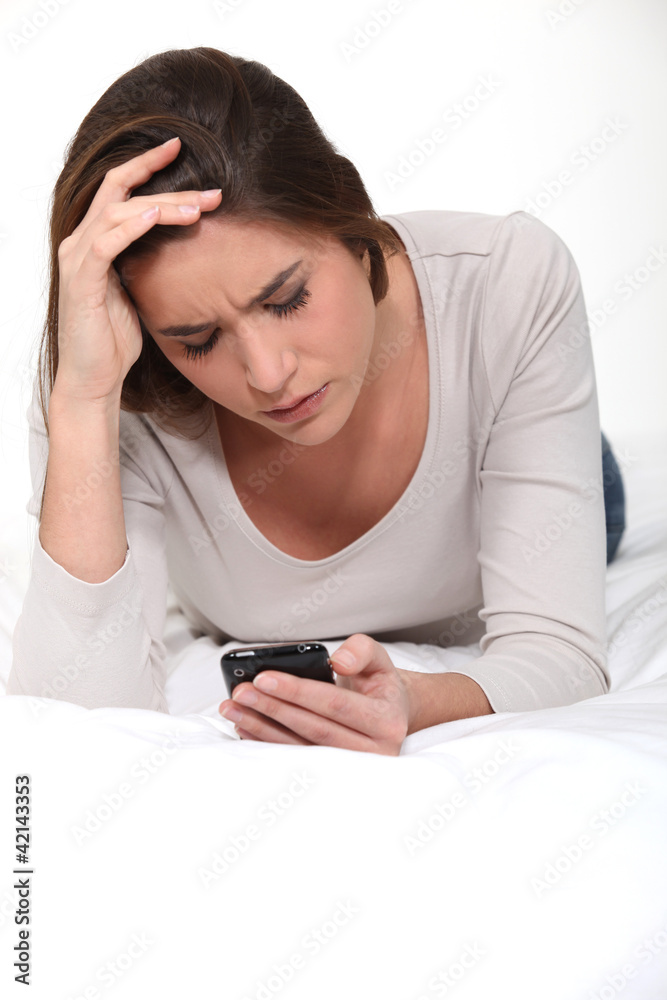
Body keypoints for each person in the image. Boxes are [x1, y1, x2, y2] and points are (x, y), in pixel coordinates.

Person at [7, 46, 626, 755]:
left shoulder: (505, 281)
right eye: (198, 340)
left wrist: (417, 702)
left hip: (519, 445)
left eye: (287, 298)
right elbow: (68, 723)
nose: (269, 374)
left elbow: (561, 651)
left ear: (352, 225)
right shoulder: (104, 373)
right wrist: (82, 400)